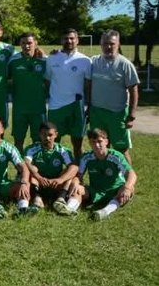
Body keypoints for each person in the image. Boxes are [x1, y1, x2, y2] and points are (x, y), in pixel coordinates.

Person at [55, 128, 137, 221]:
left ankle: (104, 212)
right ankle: (69, 209)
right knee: (78, 188)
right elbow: (78, 176)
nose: (97, 145)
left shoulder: (116, 156)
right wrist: (75, 181)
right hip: (95, 191)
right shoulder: (87, 157)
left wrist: (127, 187)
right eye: (93, 142)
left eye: (99, 141)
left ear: (106, 141)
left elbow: (131, 174)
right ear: (90, 143)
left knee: (129, 189)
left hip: (114, 190)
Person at [88, 29, 140, 164]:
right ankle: (106, 178)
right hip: (97, 112)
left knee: (121, 149)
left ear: (118, 44)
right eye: (105, 43)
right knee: (100, 147)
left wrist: (132, 114)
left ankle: (128, 181)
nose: (108, 47)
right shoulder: (93, 62)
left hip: (117, 114)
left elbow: (134, 90)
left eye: (112, 44)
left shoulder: (125, 64)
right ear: (100, 44)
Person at [45, 28, 91, 160]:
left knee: (77, 144)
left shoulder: (86, 60)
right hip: (56, 107)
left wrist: (89, 105)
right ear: (61, 40)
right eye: (66, 38)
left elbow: (88, 85)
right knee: (52, 143)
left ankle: (78, 174)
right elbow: (47, 81)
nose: (69, 41)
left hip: (76, 107)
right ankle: (54, 171)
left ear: (77, 40)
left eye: (72, 38)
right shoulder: (52, 58)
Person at [23, 122, 78, 212]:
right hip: (40, 183)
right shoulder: (32, 148)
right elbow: (26, 162)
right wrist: (39, 177)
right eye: (44, 134)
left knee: (70, 171)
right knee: (32, 169)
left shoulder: (62, 150)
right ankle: (37, 198)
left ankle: (61, 198)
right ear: (39, 134)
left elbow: (74, 168)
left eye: (50, 135)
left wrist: (60, 179)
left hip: (56, 184)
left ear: (56, 135)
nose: (47, 138)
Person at [7, 32, 47, 153]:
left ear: (35, 43)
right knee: (18, 140)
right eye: (23, 43)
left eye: (29, 43)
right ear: (20, 44)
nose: (27, 46)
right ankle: (21, 170)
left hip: (38, 109)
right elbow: (4, 78)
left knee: (38, 141)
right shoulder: (13, 60)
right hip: (19, 109)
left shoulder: (44, 60)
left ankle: (35, 168)